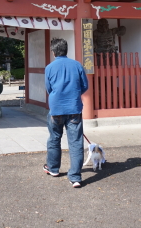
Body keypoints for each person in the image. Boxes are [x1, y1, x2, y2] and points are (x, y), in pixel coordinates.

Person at [43, 38, 89, 188]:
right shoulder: (77, 65)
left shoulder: (50, 67)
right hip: (74, 107)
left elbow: (49, 88)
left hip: (56, 107)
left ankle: (53, 168)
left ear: (54, 51)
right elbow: (84, 86)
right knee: (75, 142)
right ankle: (75, 177)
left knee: (54, 138)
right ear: (66, 50)